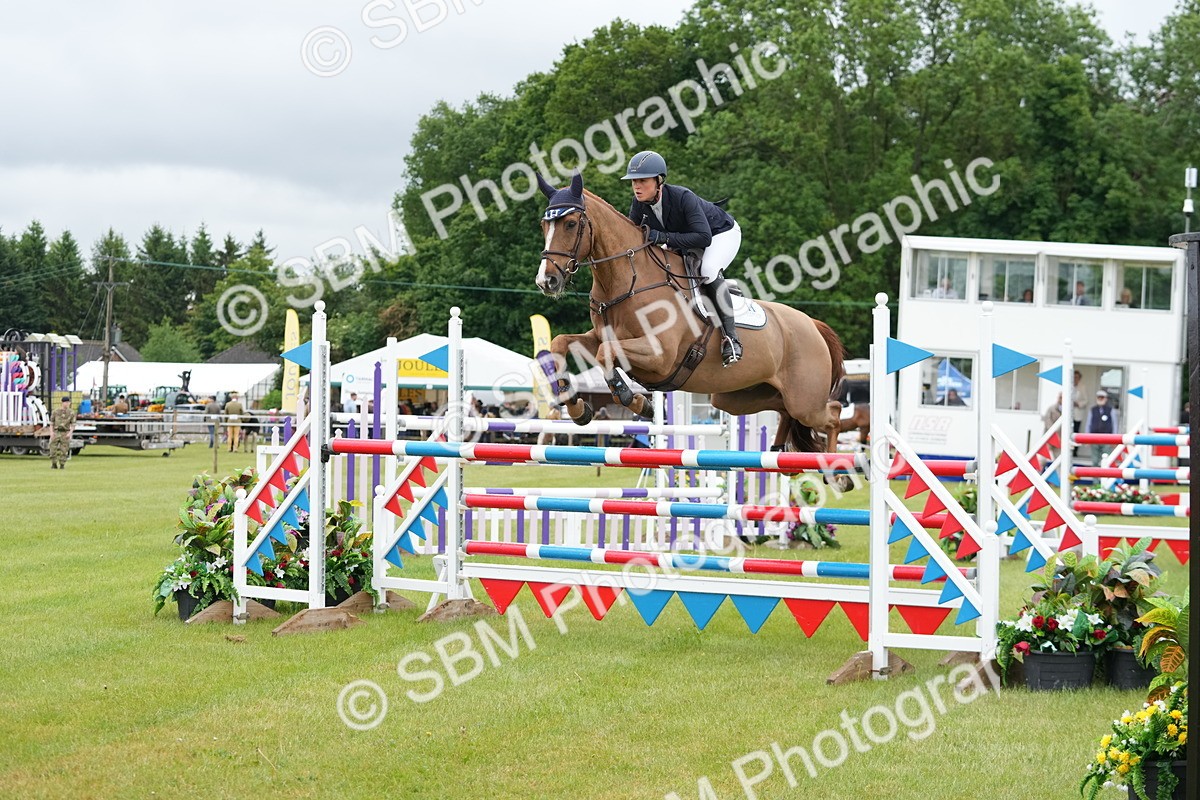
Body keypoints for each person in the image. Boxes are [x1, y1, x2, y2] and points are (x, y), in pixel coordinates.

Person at [621, 150, 744, 367]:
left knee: (708, 270)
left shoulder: (682, 197)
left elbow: (704, 237)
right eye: (633, 182)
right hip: (688, 238)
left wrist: (663, 237)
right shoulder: (638, 205)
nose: (636, 187)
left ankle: (731, 339)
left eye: (642, 181)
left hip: (720, 234)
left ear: (659, 181)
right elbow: (635, 240)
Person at [1086, 390, 1117, 466]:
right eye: (1098, 397)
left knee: (1107, 460)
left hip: (1107, 438)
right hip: (1094, 438)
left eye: (1102, 397)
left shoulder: (1111, 410)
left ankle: (1105, 477)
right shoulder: (1092, 410)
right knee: (1095, 460)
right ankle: (1096, 478)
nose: (1100, 399)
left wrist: (1114, 439)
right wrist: (1087, 438)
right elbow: (1088, 424)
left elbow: (1114, 424)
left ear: (1106, 399)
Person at [49, 396, 76, 469]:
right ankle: (54, 463)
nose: (67, 404)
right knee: (52, 449)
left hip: (65, 432)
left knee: (64, 450)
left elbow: (73, 424)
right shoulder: (55, 412)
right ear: (62, 402)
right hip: (56, 432)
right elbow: (51, 423)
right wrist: (51, 432)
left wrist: (70, 433)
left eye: (68, 402)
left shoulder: (71, 413)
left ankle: (62, 464)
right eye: (66, 402)